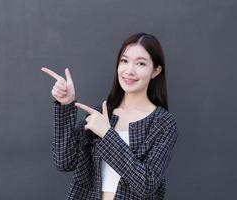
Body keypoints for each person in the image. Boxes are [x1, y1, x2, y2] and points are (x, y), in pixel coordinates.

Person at [41, 32, 178, 200]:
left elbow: (146, 184)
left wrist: (107, 135)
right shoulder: (101, 113)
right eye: (124, 61)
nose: (129, 70)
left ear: (155, 71)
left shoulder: (163, 123)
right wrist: (65, 104)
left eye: (141, 63)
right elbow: (64, 161)